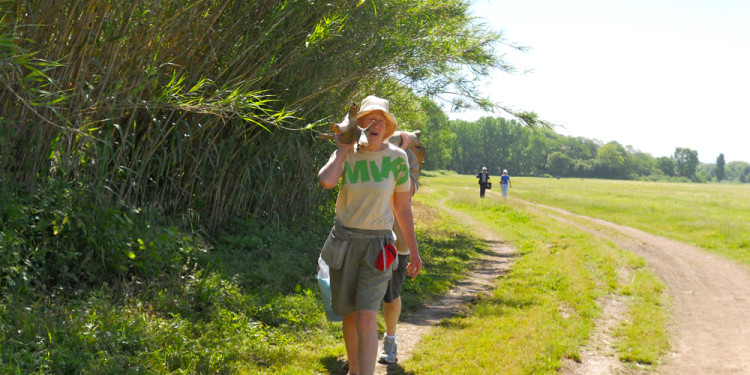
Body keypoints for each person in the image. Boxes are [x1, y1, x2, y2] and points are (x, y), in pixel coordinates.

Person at [318, 95, 422, 375]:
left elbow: (402, 208)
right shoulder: (348, 153)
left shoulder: (397, 158)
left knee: (365, 317)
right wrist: (342, 148)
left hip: (378, 245)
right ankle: (355, 370)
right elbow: (326, 181)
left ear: (387, 127)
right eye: (368, 120)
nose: (375, 124)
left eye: (380, 120)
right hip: (345, 242)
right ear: (359, 124)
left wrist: (413, 250)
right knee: (349, 317)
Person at [379, 132, 421, 365]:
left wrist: (402, 153)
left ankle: (390, 342)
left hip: (397, 241)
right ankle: (357, 351)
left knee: (391, 295)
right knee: (358, 297)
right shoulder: (366, 151)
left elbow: (408, 192)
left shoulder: (409, 157)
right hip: (365, 235)